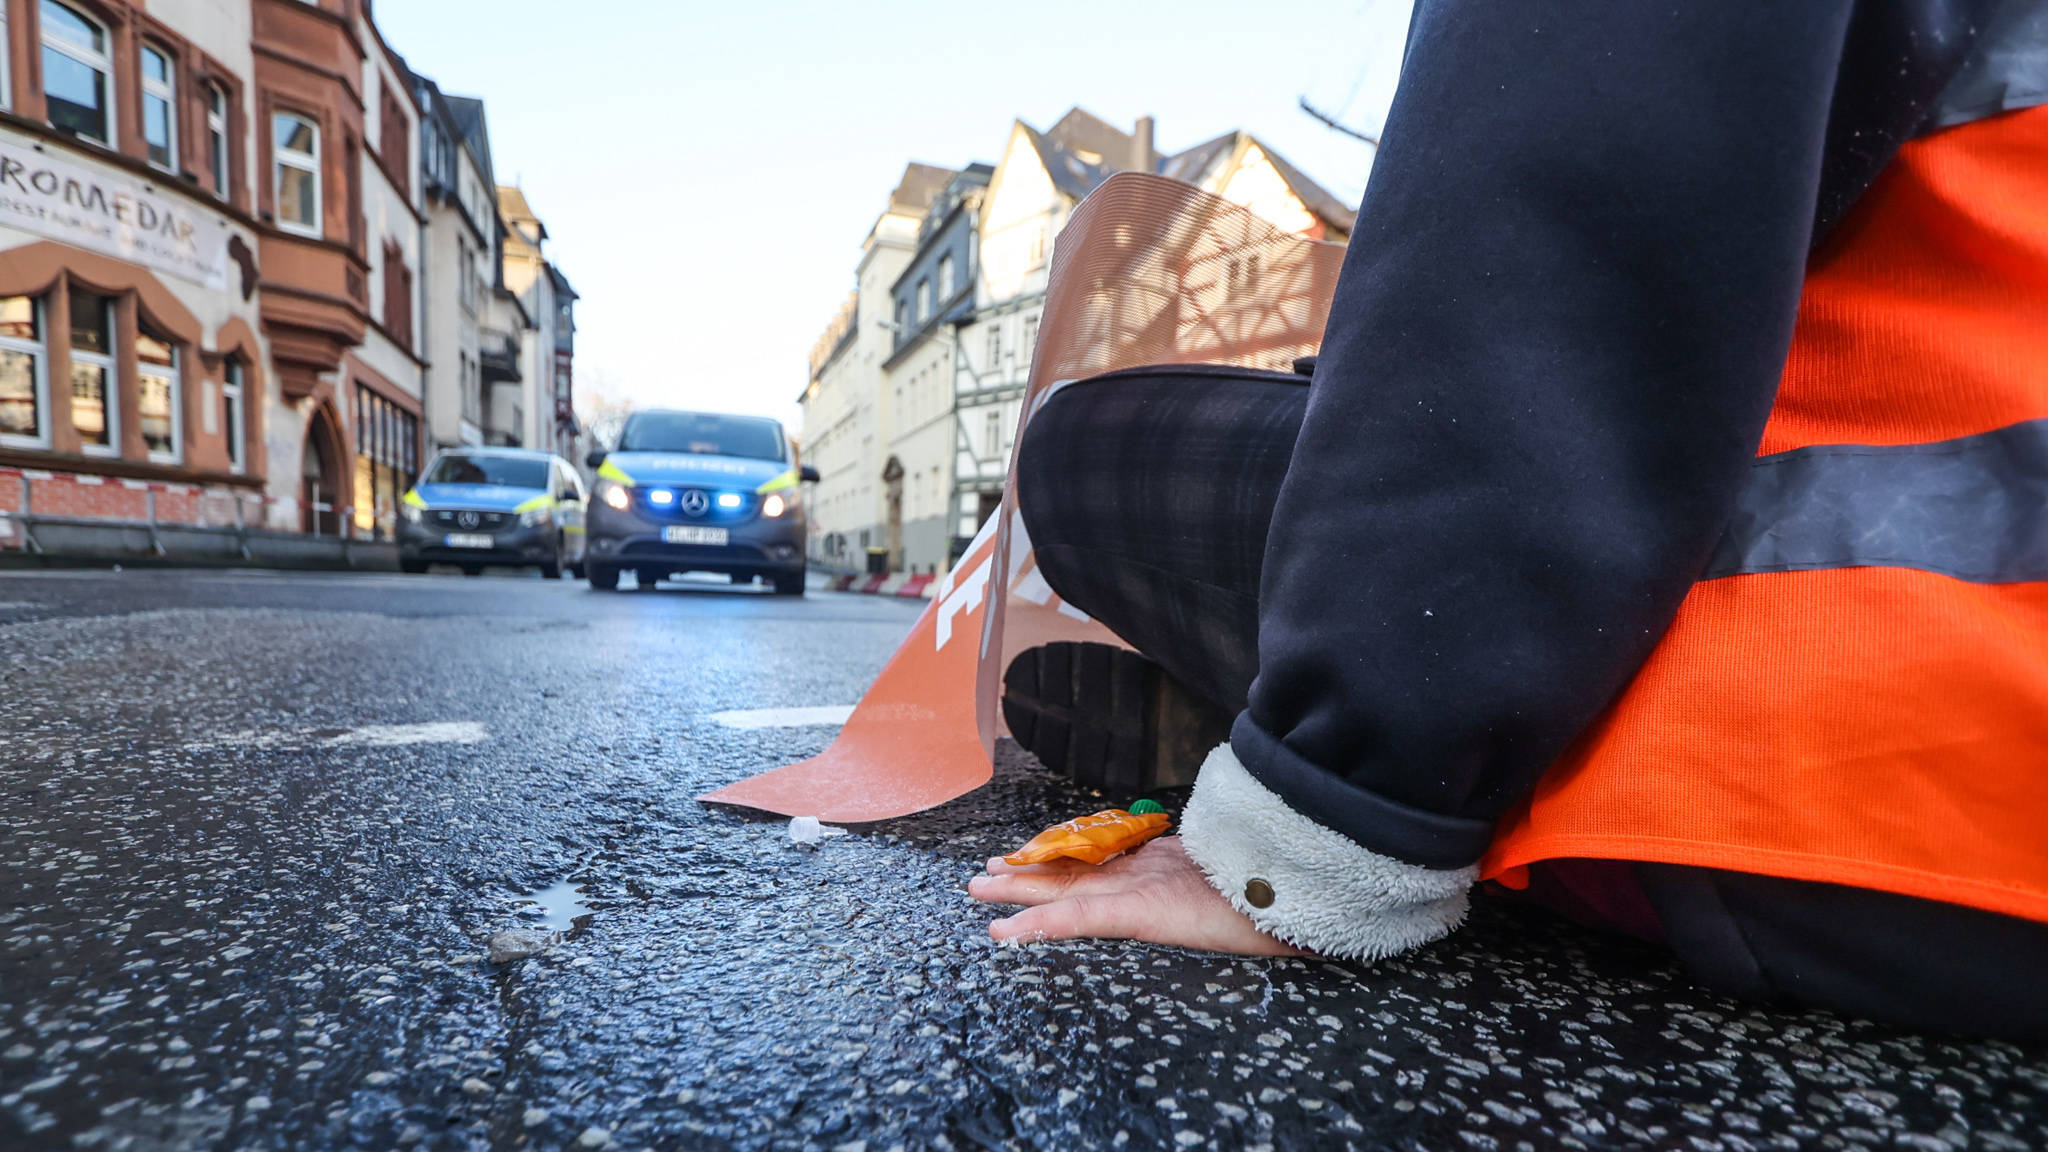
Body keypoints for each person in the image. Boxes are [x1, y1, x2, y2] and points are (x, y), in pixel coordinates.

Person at [966, 0, 2048, 1038]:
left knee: (1085, 449)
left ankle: (1330, 762)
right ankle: (1303, 726)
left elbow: (1563, 228)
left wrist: (1312, 839)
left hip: (1868, 763)